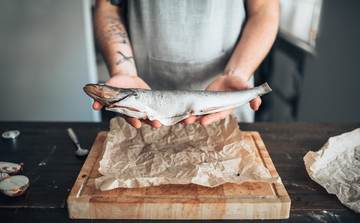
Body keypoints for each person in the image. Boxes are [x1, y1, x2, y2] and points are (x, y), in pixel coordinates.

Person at [93, 0, 279, 128]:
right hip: (140, 82)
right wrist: (123, 69)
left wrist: (237, 73)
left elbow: (264, 10)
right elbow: (109, 8)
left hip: (228, 84)